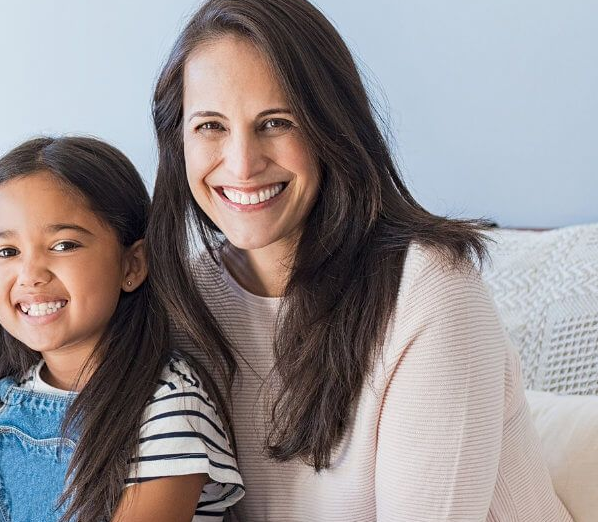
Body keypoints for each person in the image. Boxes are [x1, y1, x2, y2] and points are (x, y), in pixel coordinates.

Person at [146, 0, 572, 519]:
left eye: (276, 122)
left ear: (331, 129)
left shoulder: (430, 288)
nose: (242, 163)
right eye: (210, 126)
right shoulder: (186, 301)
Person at [0, 137, 244, 522]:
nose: (30, 275)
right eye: (6, 252)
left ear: (132, 266)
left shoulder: (167, 400)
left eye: (63, 245)